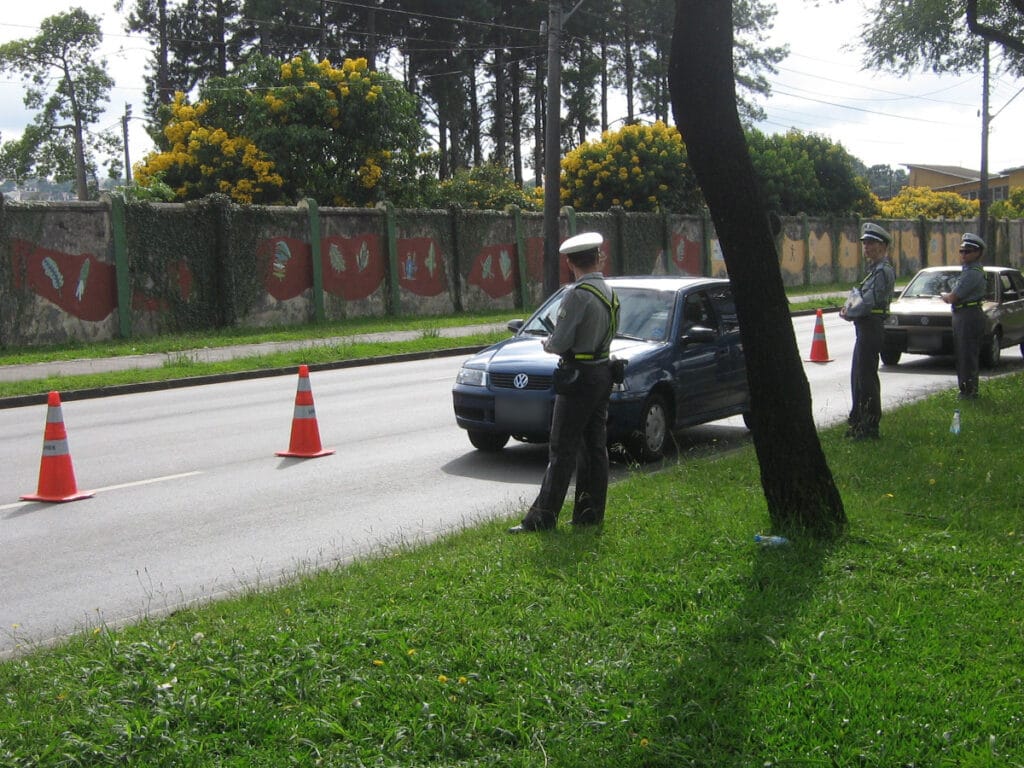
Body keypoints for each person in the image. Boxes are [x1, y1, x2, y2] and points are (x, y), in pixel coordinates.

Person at [509, 231, 618, 533]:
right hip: (602, 371)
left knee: (562, 449)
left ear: (570, 262)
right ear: (598, 258)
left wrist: (547, 341)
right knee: (595, 447)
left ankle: (542, 518)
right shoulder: (608, 291)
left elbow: (559, 342)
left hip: (578, 376)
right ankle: (589, 513)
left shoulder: (577, 294)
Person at [840, 222, 896, 440]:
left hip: (871, 325)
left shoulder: (883, 271)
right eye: (865, 243)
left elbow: (867, 303)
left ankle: (870, 425)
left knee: (866, 377)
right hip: (864, 325)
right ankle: (858, 421)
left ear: (882, 246)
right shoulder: (874, 270)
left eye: (871, 243)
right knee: (858, 375)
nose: (866, 247)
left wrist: (849, 312)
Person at [941, 233, 987, 399]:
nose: (963, 254)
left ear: (978, 253)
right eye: (962, 251)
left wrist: (944, 295)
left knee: (967, 354)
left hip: (969, 314)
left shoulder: (972, 272)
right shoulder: (967, 271)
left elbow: (953, 297)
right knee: (962, 354)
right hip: (963, 313)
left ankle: (969, 391)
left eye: (968, 251)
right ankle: (966, 389)